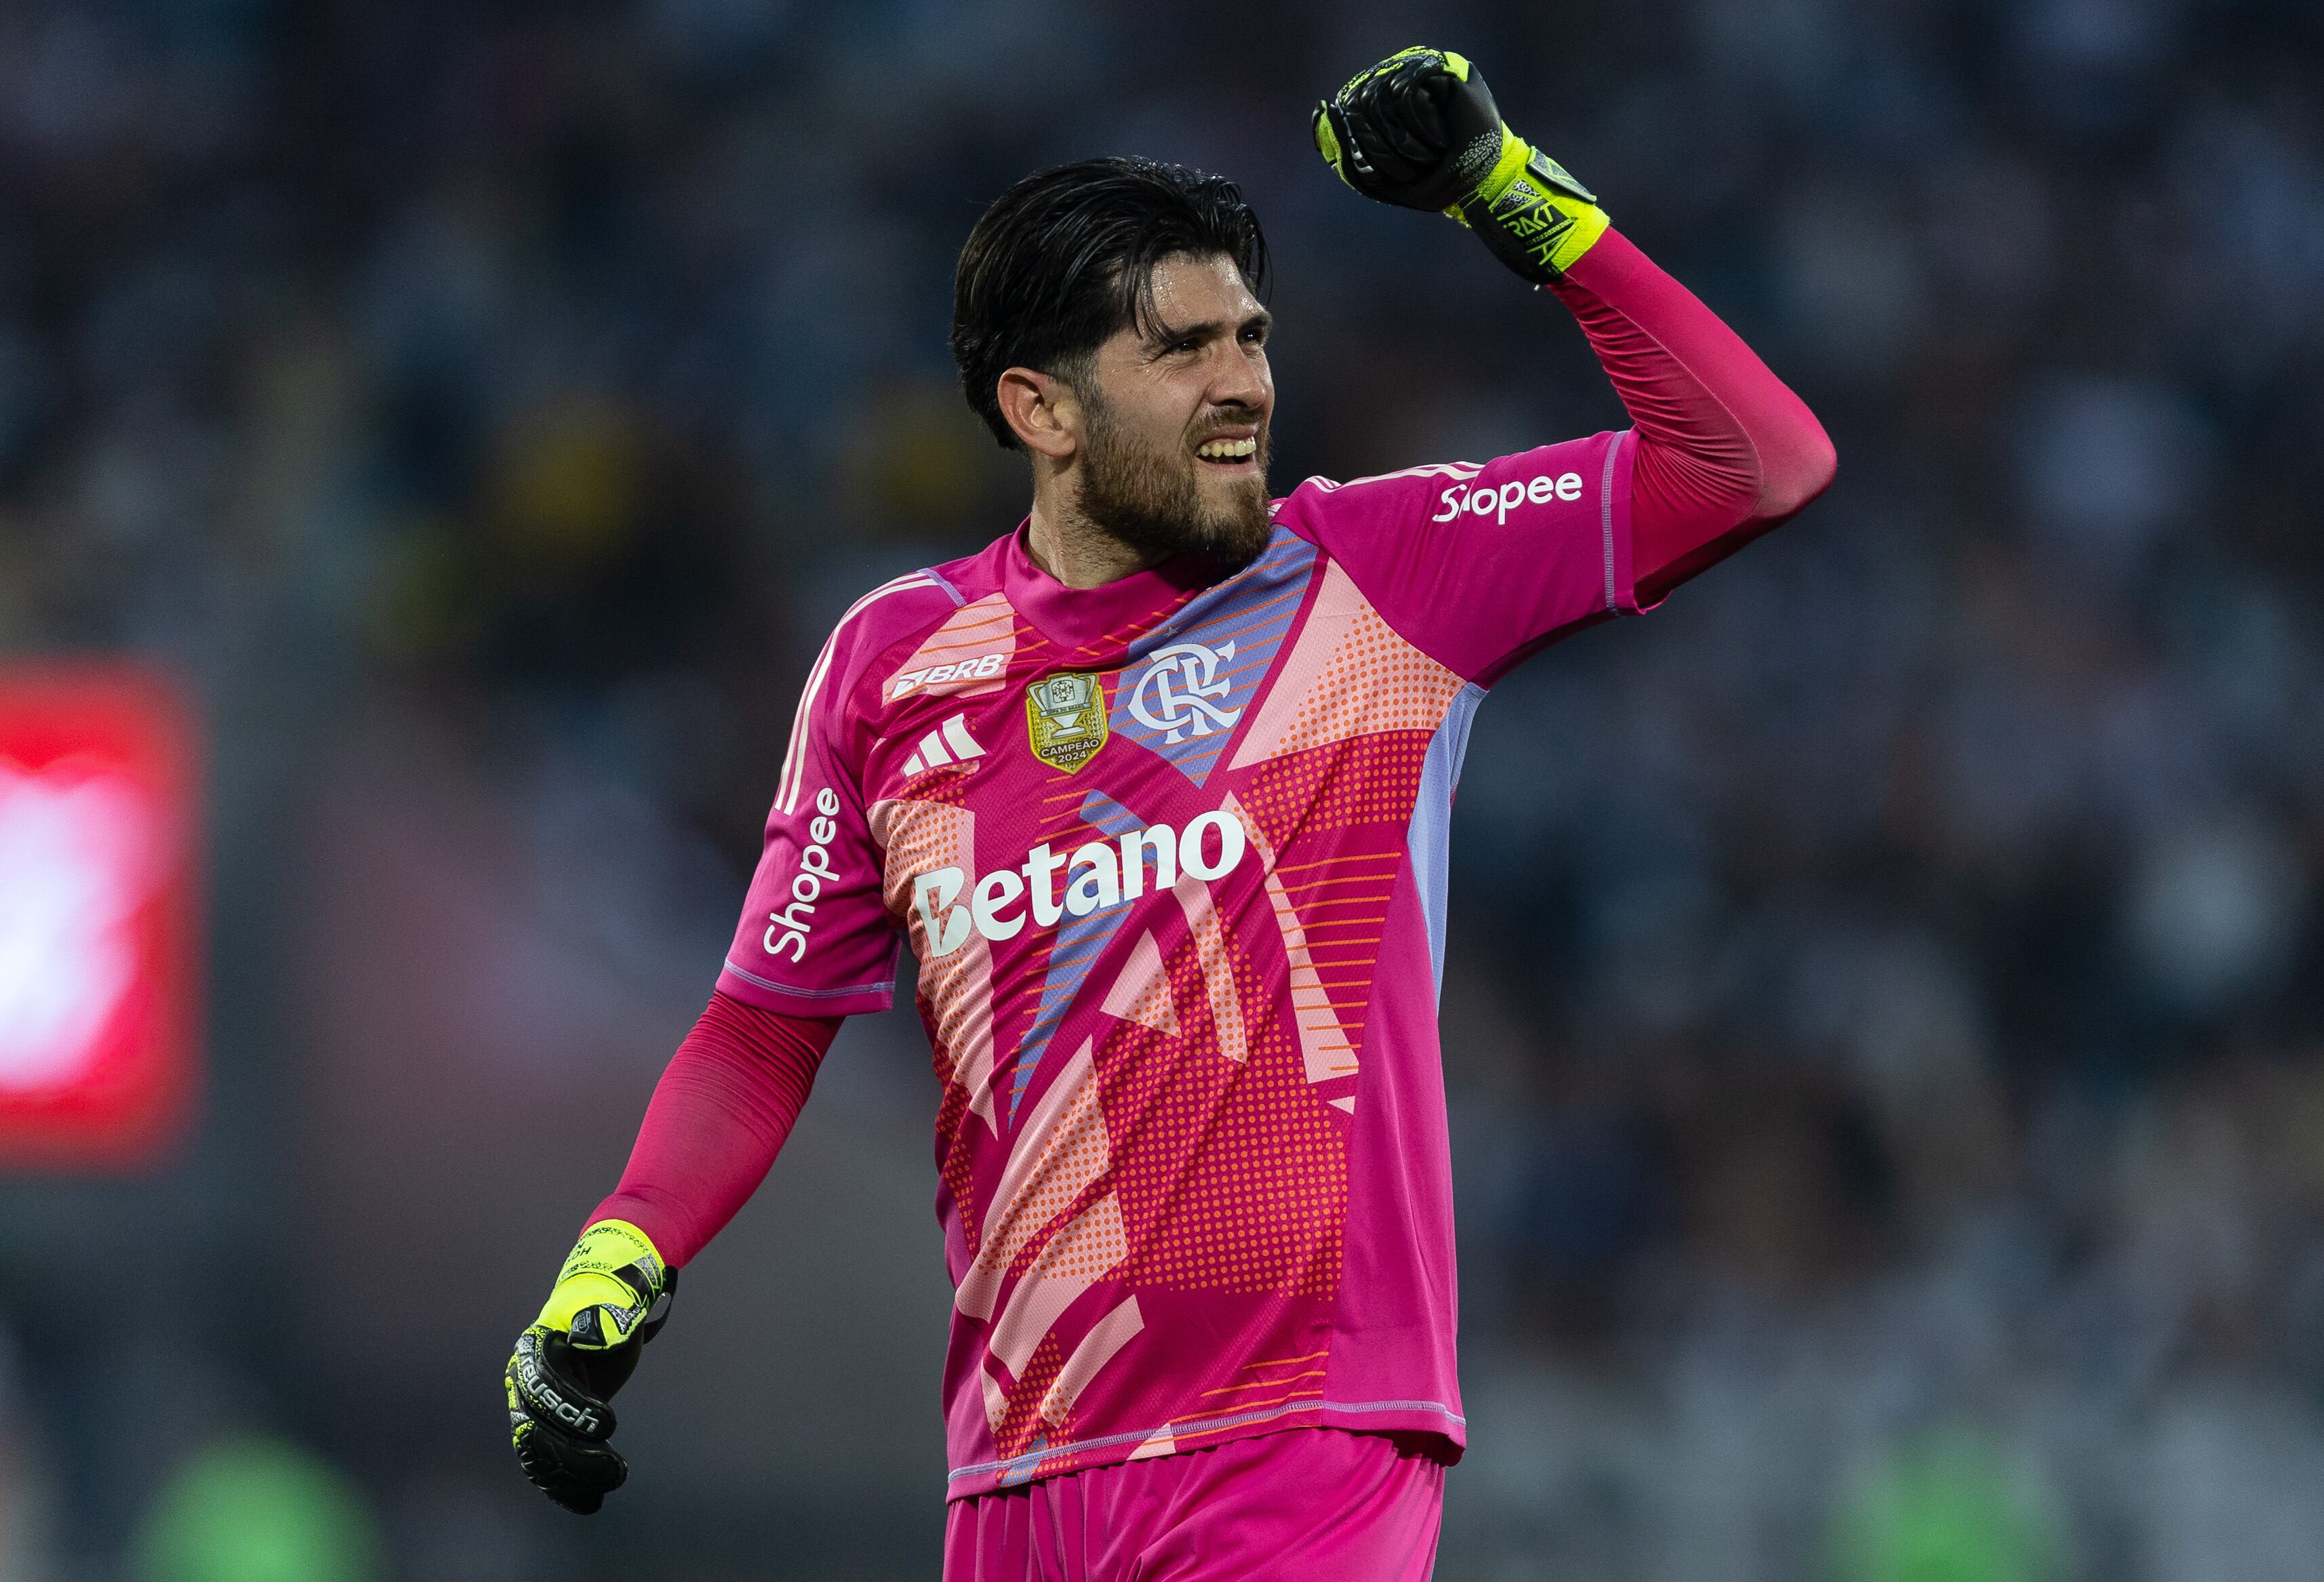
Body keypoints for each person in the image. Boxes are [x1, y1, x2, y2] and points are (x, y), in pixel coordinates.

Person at [504, 45, 1834, 1580]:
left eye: (1251, 338)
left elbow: (1759, 463)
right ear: (1041, 408)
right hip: (1019, 1468)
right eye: (1182, 348)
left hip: (1306, 1440)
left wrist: (1513, 199)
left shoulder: (1375, 576)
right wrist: (623, 1248)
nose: (1244, 383)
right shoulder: (891, 669)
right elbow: (763, 1028)